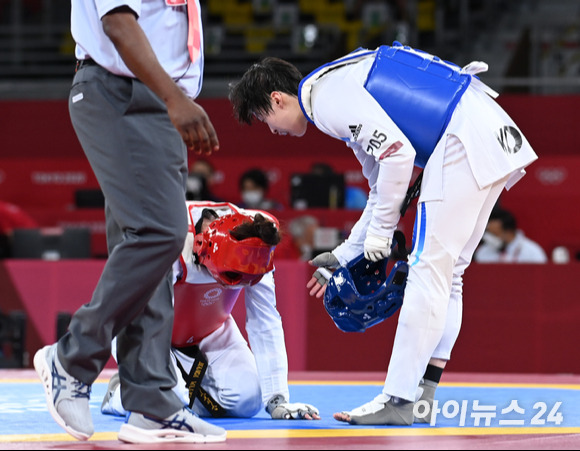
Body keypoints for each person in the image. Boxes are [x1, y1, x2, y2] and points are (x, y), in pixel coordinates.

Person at [229, 41, 538, 426]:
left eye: (264, 120)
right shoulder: (335, 88)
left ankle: (398, 399)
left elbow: (397, 155)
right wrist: (344, 254)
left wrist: (377, 239)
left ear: (277, 100)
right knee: (448, 273)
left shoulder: (325, 99)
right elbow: (381, 188)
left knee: (428, 270)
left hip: (461, 136)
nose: (272, 131)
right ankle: (422, 397)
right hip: (487, 132)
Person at [33, 1, 226, 444]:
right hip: (121, 92)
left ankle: (152, 402)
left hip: (153, 100)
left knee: (150, 245)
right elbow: (118, 23)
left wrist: (171, 99)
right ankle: (72, 358)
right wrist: (175, 98)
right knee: (161, 232)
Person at [100, 201, 320, 421]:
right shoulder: (170, 239)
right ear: (204, 249)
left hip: (209, 327)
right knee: (165, 402)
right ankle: (120, 393)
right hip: (138, 324)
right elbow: (144, 317)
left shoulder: (258, 243)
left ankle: (170, 395)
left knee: (249, 399)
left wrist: (277, 399)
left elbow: (265, 321)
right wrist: (165, 386)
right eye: (230, 277)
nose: (233, 286)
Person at [474, 207, 547, 263]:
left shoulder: (532, 252)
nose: (489, 238)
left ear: (508, 231)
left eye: (494, 234)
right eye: (489, 233)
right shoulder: (483, 252)